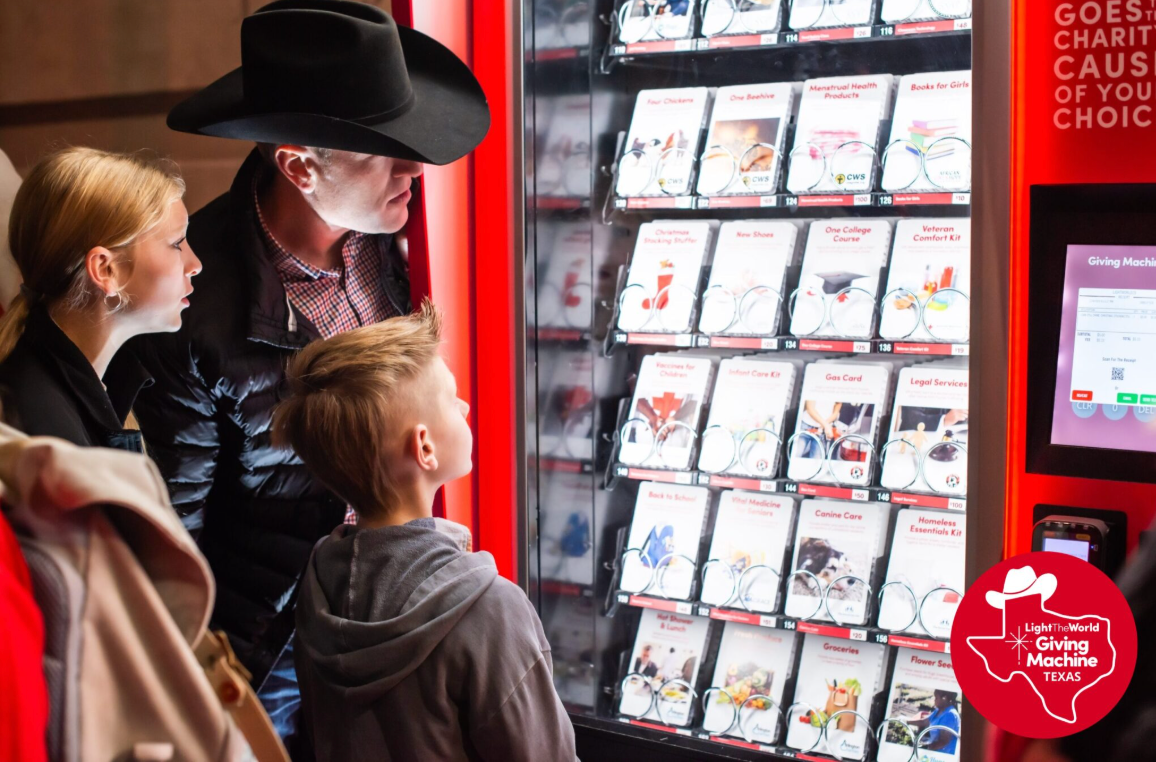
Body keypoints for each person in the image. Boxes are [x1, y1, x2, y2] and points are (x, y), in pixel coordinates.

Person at [124, 0, 490, 745]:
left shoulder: (396, 241)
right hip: (282, 640)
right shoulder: (193, 315)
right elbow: (179, 537)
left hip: (415, 590)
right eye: (382, 150)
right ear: (298, 163)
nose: (415, 166)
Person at [271, 302, 576, 761]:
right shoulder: (491, 610)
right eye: (452, 399)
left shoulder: (321, 582)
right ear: (425, 447)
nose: (465, 405)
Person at [0, 146, 200, 450]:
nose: (195, 265)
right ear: (106, 269)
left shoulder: (88, 382)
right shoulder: (48, 438)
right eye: (177, 243)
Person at [909, 689, 960, 754]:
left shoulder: (950, 715)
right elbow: (925, 722)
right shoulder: (939, 710)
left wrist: (925, 748)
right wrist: (906, 721)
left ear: (944, 698)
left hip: (944, 754)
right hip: (935, 749)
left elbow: (943, 741)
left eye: (936, 698)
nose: (934, 700)